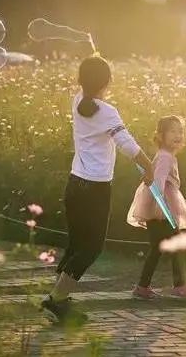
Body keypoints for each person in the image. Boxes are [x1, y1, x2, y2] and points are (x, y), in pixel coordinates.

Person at [42, 56, 155, 325]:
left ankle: (60, 300)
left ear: (81, 81)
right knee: (92, 247)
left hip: (75, 185)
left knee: (78, 244)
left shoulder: (77, 101)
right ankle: (56, 300)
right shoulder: (106, 111)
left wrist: (97, 69)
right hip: (95, 189)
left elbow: (90, 87)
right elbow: (126, 144)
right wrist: (149, 167)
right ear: (107, 82)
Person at [127, 116, 186, 299]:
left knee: (159, 248)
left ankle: (144, 286)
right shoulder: (165, 157)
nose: (178, 135)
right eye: (172, 131)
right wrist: (161, 210)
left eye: (180, 131)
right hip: (161, 211)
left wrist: (185, 204)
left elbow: (171, 188)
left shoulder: (167, 156)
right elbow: (158, 184)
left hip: (162, 209)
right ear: (161, 136)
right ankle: (178, 285)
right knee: (170, 246)